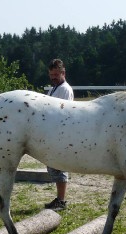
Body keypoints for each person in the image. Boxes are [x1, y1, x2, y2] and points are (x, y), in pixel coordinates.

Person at [44, 58, 74, 211]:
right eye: (51, 74)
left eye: (56, 74)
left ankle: (62, 200)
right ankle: (59, 198)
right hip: (54, 132)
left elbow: (62, 112)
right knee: (53, 166)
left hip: (61, 133)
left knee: (59, 166)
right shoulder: (54, 88)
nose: (53, 77)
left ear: (63, 73)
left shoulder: (64, 89)